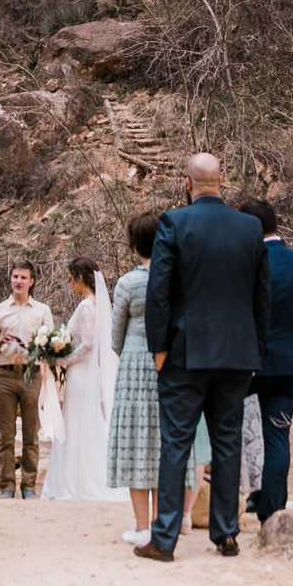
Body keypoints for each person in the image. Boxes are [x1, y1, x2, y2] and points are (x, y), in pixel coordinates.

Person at [137, 153, 269, 563]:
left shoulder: (174, 223)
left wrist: (158, 348)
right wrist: (256, 351)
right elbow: (261, 296)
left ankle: (164, 540)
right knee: (228, 443)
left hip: (185, 354)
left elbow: (158, 291)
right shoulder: (251, 228)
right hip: (236, 355)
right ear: (221, 182)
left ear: (187, 184)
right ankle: (226, 534)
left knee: (176, 443)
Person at [107, 212, 208, 542]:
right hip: (175, 367)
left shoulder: (127, 283)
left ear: (134, 245)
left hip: (135, 364)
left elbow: (114, 337)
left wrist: (132, 352)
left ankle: (141, 528)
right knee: (164, 444)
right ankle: (162, 523)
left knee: (137, 444)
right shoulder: (180, 279)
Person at [238, 195, 293, 522]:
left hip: (245, 366)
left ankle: (225, 514)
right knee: (277, 440)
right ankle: (272, 517)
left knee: (227, 434)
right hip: (290, 367)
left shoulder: (242, 267)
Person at [40, 256, 121, 503]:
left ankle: (74, 482)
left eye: (71, 279)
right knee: (82, 424)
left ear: (81, 278)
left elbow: (87, 345)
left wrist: (61, 360)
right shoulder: (98, 305)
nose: (71, 285)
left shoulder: (86, 306)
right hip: (89, 374)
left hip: (81, 374)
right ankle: (81, 477)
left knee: (75, 425)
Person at [0, 259, 52, 499]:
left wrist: (37, 347)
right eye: (15, 276)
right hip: (4, 375)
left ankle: (29, 486)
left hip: (31, 375)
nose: (18, 281)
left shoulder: (42, 310)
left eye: (23, 278)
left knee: (31, 435)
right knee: (5, 435)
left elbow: (51, 346)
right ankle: (6, 486)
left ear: (31, 282)